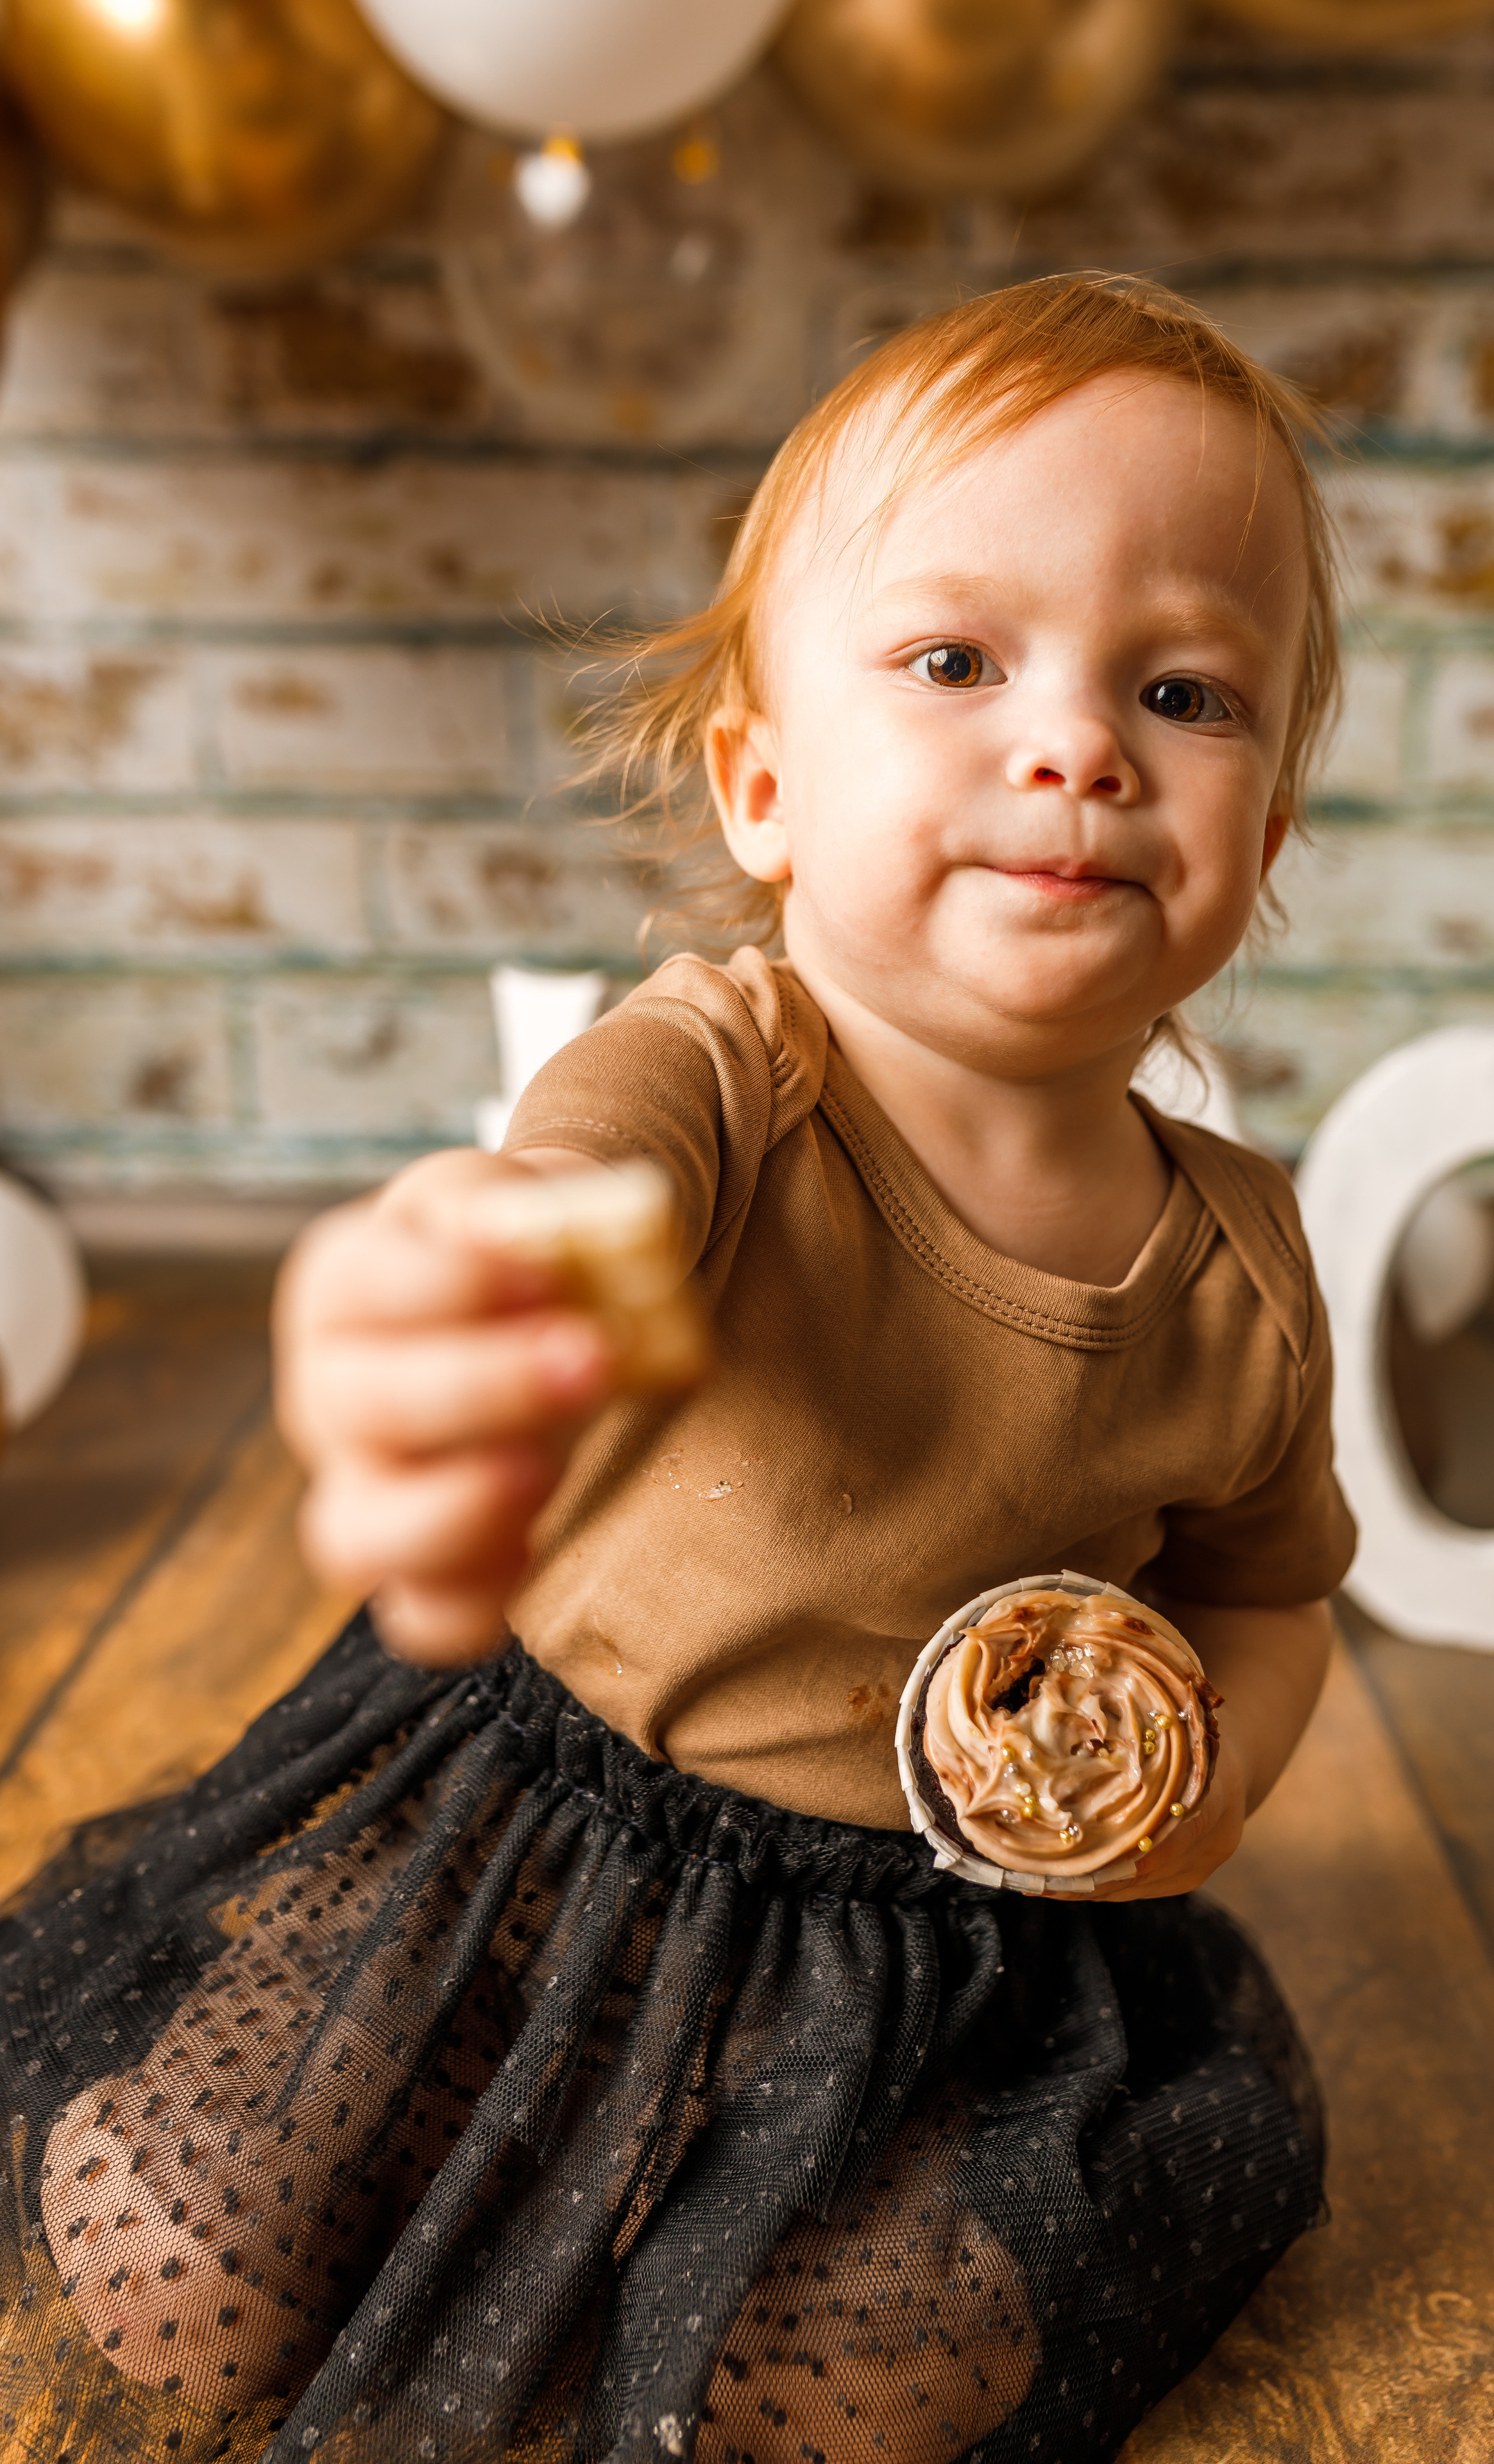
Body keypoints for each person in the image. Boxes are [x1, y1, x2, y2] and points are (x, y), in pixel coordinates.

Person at [0, 273, 1355, 2464]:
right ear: (762, 787)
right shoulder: (726, 1076)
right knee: (188, 2262)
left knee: (875, 2386)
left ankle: (713, 2236)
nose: (1080, 746)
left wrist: (1208, 1785)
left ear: (1266, 837)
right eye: (956, 662)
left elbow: (1268, 1594)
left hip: (919, 1958)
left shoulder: (1240, 1276)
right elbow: (580, 1209)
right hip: (525, 1844)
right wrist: (480, 1297)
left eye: (1184, 691)